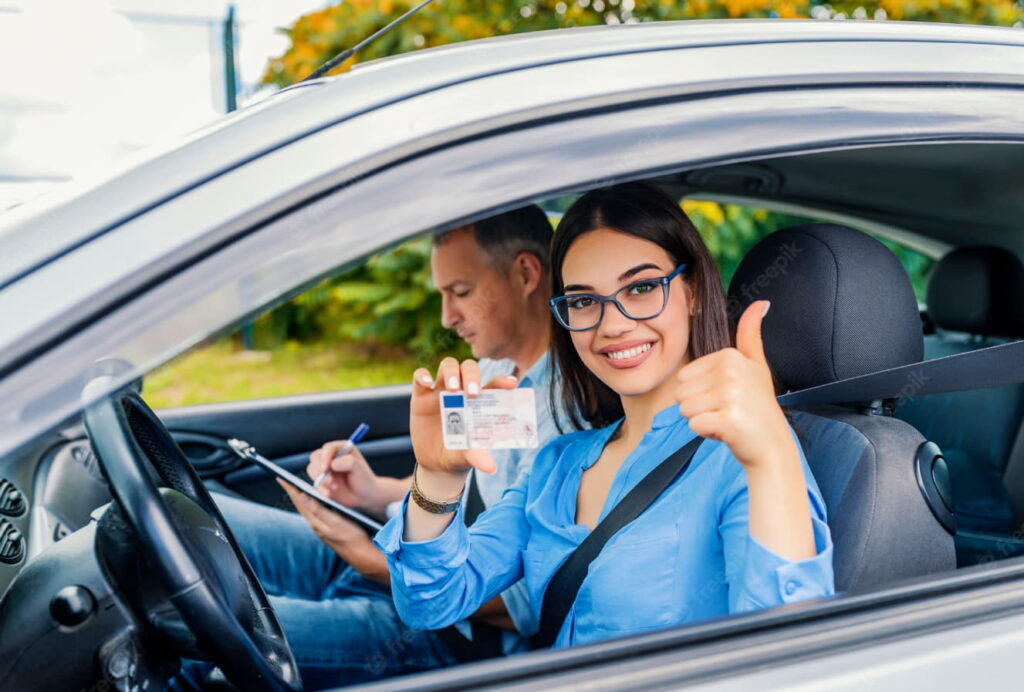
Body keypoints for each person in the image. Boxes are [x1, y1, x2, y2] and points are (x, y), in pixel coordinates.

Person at [374, 182, 835, 647]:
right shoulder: (557, 465)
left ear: (692, 290)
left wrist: (771, 453)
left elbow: (788, 658)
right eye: (582, 301)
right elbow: (430, 603)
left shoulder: (747, 456)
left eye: (641, 288)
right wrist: (435, 477)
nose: (612, 324)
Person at [173, 205, 563, 691]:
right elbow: (462, 493)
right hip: (398, 557)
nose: (447, 316)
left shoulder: (563, 417)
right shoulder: (493, 373)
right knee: (192, 523)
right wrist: (373, 492)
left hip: (450, 633)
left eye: (461, 292)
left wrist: (366, 559)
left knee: (191, 648)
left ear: (526, 273)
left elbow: (522, 604)